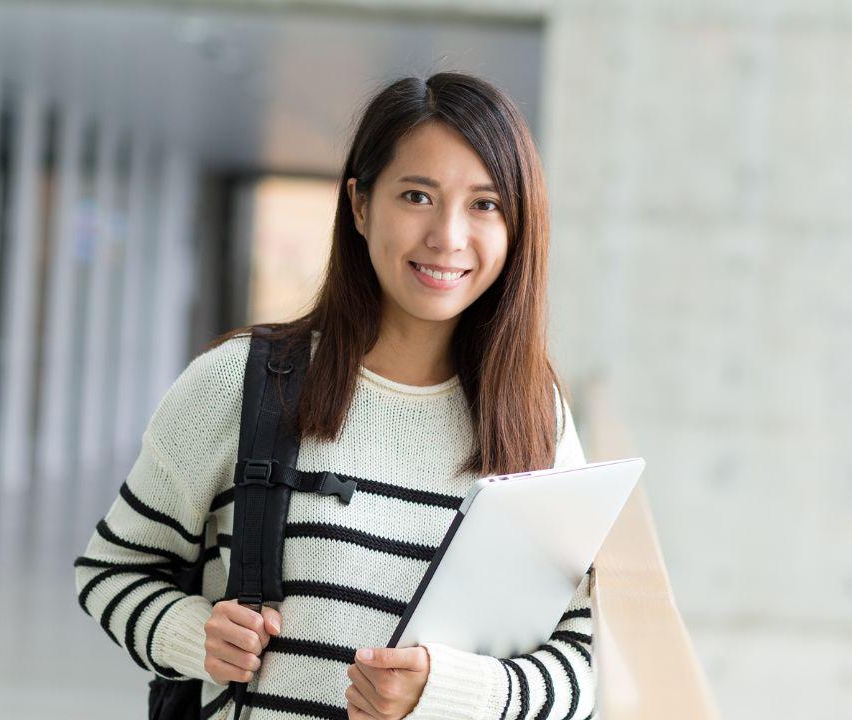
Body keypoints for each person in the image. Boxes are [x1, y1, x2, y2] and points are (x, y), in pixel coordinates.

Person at [74, 71, 595, 720]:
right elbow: (110, 571)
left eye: (485, 205)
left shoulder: (534, 417)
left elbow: (582, 660)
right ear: (359, 205)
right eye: (417, 196)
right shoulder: (240, 382)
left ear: (519, 225)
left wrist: (448, 690)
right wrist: (191, 634)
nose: (448, 237)